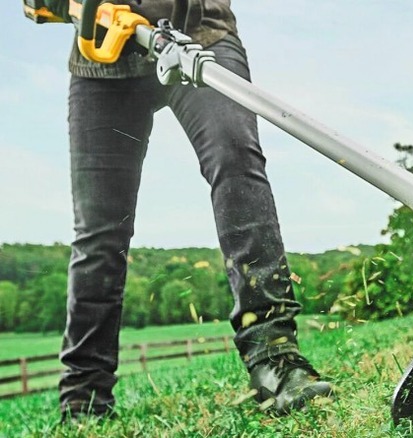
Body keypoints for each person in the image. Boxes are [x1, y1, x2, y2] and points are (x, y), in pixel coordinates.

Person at [42, 0, 334, 421]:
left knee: (235, 163)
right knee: (100, 229)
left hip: (199, 35)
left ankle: (275, 359)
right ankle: (84, 397)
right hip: (102, 53)